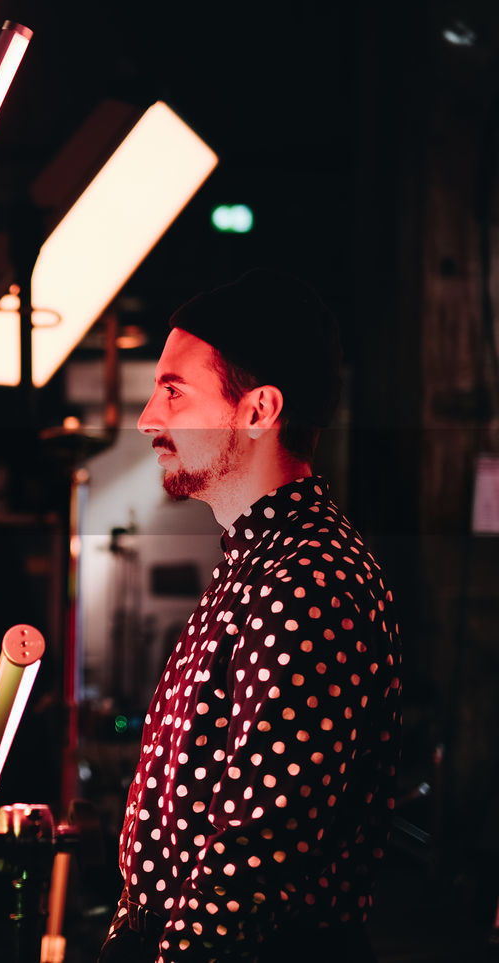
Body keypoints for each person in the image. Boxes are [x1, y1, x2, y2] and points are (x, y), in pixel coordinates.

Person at [100, 270, 402, 962]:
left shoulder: (309, 581)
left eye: (173, 389)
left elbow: (259, 850)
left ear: (259, 410)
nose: (149, 416)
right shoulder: (257, 563)